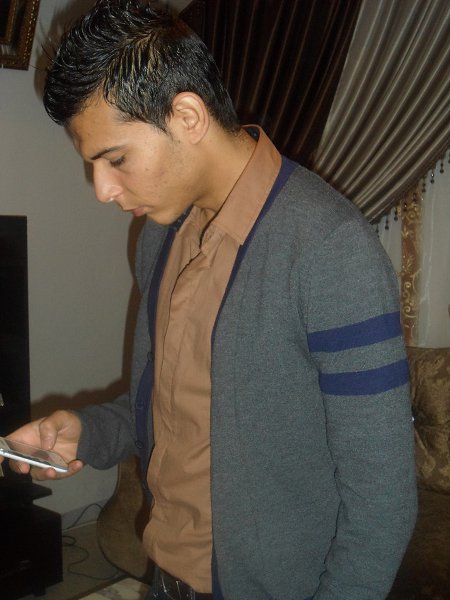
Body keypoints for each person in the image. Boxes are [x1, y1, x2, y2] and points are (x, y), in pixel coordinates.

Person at [2, 1, 417, 598]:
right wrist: (87, 433)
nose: (102, 190)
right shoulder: (160, 237)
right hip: (166, 576)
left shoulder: (329, 249)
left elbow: (382, 498)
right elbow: (178, 405)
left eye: (115, 159)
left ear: (187, 116)